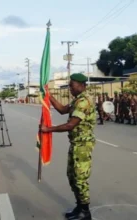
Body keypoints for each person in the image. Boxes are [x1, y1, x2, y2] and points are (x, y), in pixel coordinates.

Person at [40, 73, 96, 220]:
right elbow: (62, 110)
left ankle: (85, 211)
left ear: (82, 85)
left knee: (80, 178)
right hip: (76, 143)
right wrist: (49, 95)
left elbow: (71, 125)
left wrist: (48, 129)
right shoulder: (77, 100)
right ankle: (79, 206)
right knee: (72, 176)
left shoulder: (84, 101)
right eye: (70, 85)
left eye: (72, 85)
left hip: (83, 145)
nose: (70, 87)